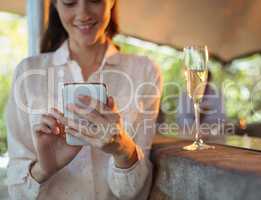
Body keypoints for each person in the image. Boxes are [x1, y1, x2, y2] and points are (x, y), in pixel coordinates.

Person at [5, 0, 162, 199]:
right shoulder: (28, 74)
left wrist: (123, 149)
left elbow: (134, 193)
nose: (83, 13)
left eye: (94, 0)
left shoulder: (144, 71)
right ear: (54, 4)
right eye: (70, 2)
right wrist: (43, 169)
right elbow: (16, 192)